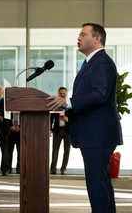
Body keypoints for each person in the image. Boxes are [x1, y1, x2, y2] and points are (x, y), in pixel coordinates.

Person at [47, 23, 123, 213]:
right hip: (94, 134)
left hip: (98, 134)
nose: (78, 38)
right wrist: (69, 110)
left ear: (97, 38)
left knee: (97, 184)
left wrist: (68, 103)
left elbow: (100, 95)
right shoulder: (92, 63)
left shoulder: (102, 62)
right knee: (101, 183)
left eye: (83, 34)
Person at [50, 87, 71, 175]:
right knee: (55, 150)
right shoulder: (55, 104)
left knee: (66, 151)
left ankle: (63, 169)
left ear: (66, 94)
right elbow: (51, 118)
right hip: (57, 130)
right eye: (60, 93)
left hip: (68, 130)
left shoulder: (70, 105)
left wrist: (68, 119)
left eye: (64, 93)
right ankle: (53, 169)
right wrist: (49, 129)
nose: (62, 95)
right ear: (58, 94)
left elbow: (75, 117)